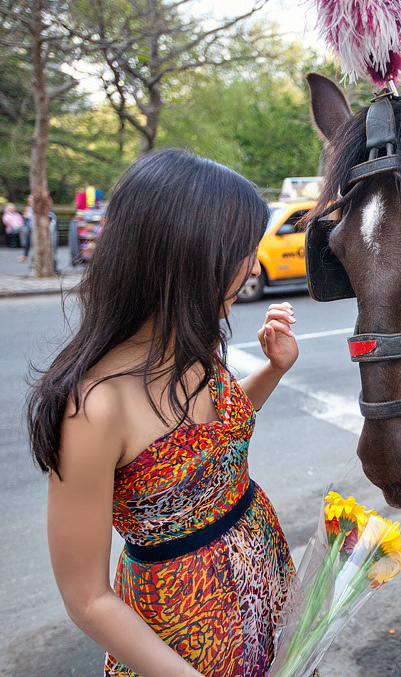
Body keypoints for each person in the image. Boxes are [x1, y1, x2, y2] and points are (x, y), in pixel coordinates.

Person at [27, 149, 299, 677]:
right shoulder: (93, 406)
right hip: (178, 640)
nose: (250, 267)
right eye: (241, 252)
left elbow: (212, 442)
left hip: (260, 587)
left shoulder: (197, 348)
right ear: (190, 257)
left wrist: (274, 370)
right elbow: (86, 597)